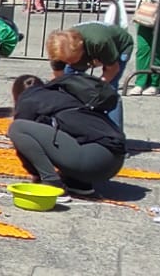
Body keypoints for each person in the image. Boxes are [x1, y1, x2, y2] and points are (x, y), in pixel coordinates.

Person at [8, 68, 125, 198]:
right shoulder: (61, 95)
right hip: (114, 162)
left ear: (17, 95)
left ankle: (52, 184)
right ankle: (78, 184)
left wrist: (37, 173)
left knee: (17, 128)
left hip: (93, 159)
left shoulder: (28, 100)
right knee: (66, 132)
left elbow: (24, 146)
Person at [49, 23, 133, 130]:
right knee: (68, 87)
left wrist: (97, 88)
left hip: (120, 47)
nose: (69, 63)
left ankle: (115, 133)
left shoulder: (99, 42)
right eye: (66, 61)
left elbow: (113, 69)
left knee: (109, 92)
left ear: (80, 48)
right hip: (89, 50)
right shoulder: (58, 51)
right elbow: (59, 78)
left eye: (71, 59)